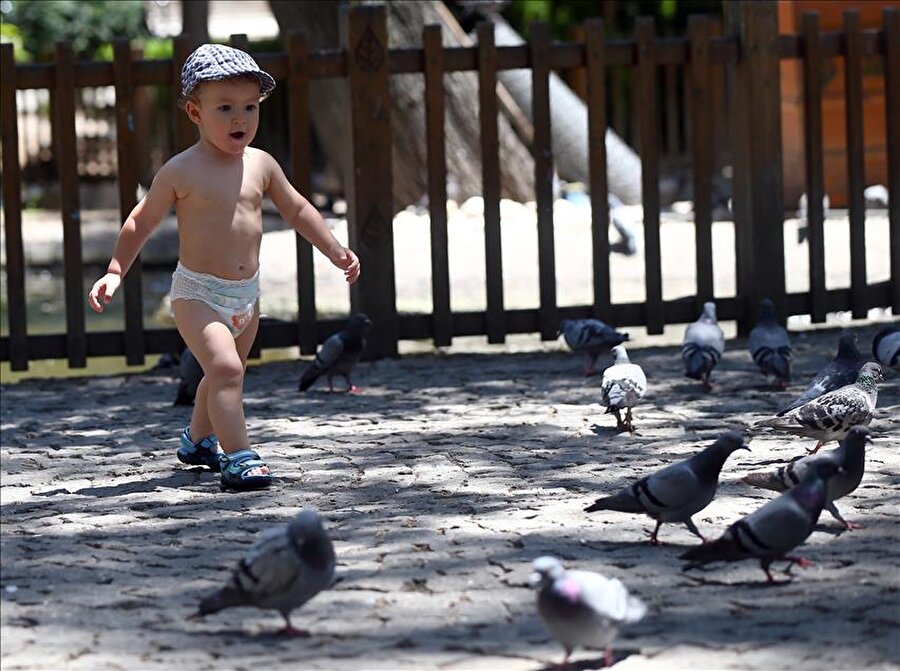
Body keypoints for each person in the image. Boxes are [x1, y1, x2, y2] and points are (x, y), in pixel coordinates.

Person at [87, 44, 360, 491]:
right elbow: (142, 219)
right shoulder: (182, 171)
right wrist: (116, 269)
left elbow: (298, 209)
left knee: (224, 373)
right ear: (195, 112)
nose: (240, 119)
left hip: (245, 296)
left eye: (250, 107)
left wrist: (334, 248)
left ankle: (198, 441)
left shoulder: (262, 164)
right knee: (227, 371)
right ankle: (239, 457)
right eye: (226, 108)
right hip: (197, 293)